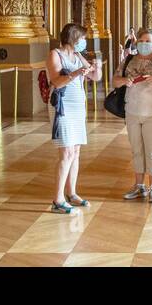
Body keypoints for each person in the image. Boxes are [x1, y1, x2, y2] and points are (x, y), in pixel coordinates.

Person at [112, 27, 152, 203]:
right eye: (141, 41)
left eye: (148, 41)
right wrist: (125, 81)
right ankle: (139, 186)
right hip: (132, 111)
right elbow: (115, 81)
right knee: (137, 150)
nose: (144, 44)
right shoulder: (129, 61)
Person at [47, 22, 102, 214]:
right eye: (82, 39)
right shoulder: (56, 54)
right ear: (73, 38)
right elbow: (56, 81)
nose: (84, 42)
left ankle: (72, 192)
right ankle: (58, 199)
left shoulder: (78, 55)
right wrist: (76, 73)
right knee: (66, 153)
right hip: (62, 106)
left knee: (76, 151)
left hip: (78, 106)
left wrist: (97, 66)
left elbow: (95, 78)